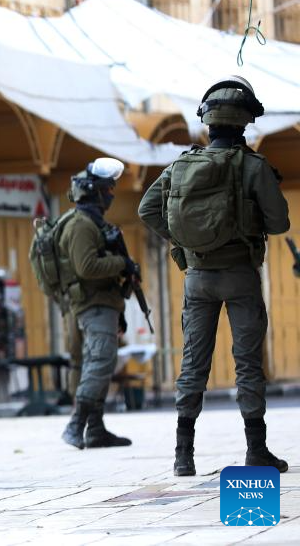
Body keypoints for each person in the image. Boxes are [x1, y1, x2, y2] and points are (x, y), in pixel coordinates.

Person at [138, 76, 290, 476]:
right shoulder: (254, 167)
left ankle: (183, 455)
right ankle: (256, 450)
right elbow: (279, 223)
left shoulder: (180, 166)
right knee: (248, 364)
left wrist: (183, 242)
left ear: (207, 122)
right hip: (240, 275)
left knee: (193, 363)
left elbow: (147, 209)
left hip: (198, 277)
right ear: (244, 124)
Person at [58, 157, 133, 450]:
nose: (111, 194)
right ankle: (76, 425)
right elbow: (86, 267)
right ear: (94, 192)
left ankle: (96, 429)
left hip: (104, 303)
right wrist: (121, 263)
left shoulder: (95, 223)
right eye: (107, 189)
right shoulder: (81, 225)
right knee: (99, 362)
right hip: (92, 305)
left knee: (101, 363)